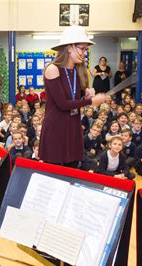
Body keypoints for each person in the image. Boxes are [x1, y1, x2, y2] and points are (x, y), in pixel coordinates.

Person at [40, 25, 105, 167]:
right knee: (55, 174)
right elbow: (63, 104)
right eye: (82, 48)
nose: (84, 53)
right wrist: (90, 101)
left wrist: (85, 93)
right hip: (56, 128)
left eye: (86, 50)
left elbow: (74, 96)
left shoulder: (78, 70)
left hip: (72, 126)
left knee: (73, 168)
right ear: (69, 48)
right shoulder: (53, 69)